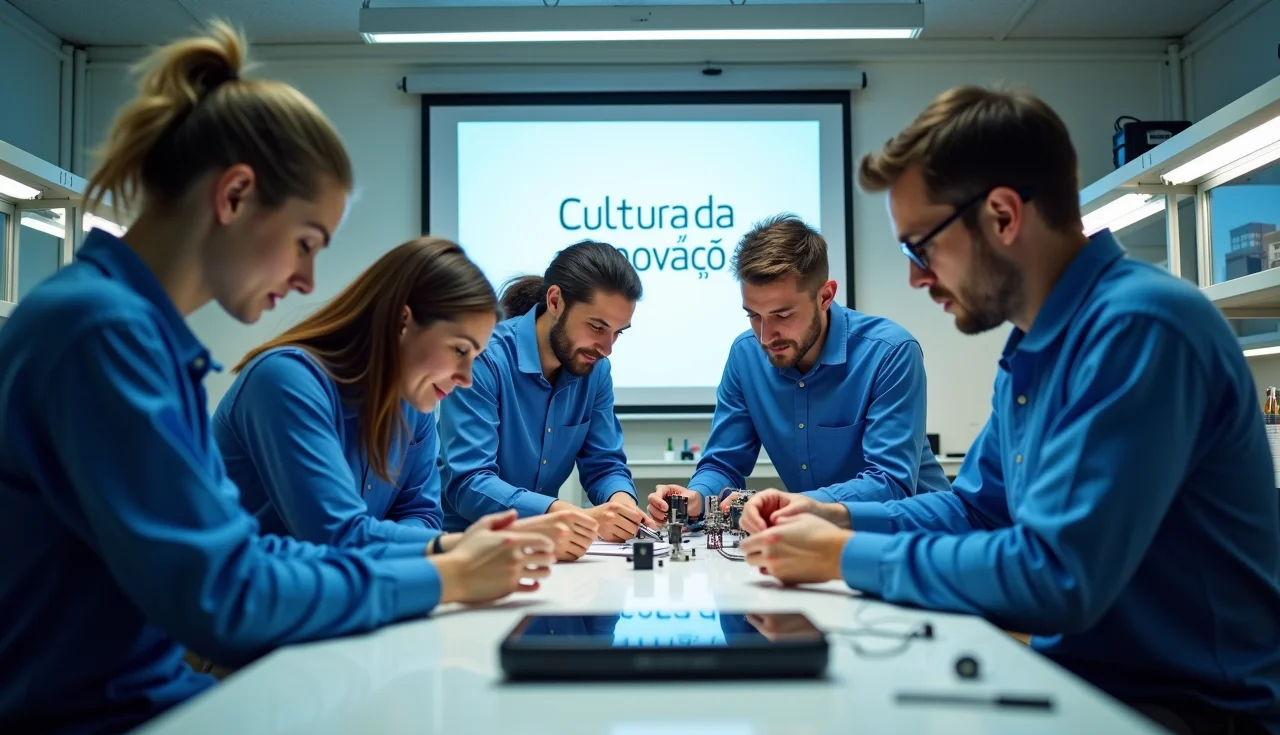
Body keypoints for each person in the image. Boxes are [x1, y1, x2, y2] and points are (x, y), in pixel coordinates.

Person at [0, 23, 553, 735]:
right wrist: (441, 573)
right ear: (234, 195)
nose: (306, 281)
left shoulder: (135, 334)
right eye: (307, 241)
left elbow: (247, 553)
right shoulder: (101, 332)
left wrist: (442, 560)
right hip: (89, 734)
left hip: (140, 703)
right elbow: (228, 596)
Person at [737, 85, 1280, 735]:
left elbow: (1057, 577)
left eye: (921, 246)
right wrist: (833, 517)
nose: (913, 278)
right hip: (1090, 689)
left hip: (1192, 722)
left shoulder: (1139, 328)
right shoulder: (1032, 347)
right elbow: (976, 507)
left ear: (1000, 216)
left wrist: (842, 556)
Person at [212, 237, 597, 561]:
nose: (464, 380)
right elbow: (338, 537)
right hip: (250, 638)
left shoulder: (415, 406)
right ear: (402, 321)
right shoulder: (286, 381)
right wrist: (468, 547)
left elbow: (421, 515)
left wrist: (453, 549)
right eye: (459, 350)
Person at [647, 214, 950, 523]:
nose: (765, 336)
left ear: (826, 296)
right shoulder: (745, 356)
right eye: (754, 315)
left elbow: (890, 484)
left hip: (916, 537)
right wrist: (698, 496)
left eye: (783, 314)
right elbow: (724, 464)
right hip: (817, 536)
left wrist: (791, 505)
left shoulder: (890, 353)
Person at [438, 240, 654, 542]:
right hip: (465, 547)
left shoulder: (596, 369)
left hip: (546, 551)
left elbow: (604, 463)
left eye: (618, 333)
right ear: (555, 302)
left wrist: (621, 503)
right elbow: (470, 482)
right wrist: (559, 516)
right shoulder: (483, 358)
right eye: (596, 327)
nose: (607, 349)